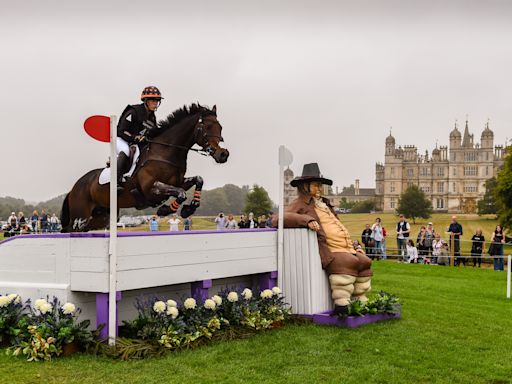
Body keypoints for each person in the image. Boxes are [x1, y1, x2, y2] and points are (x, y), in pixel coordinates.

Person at [273, 163, 372, 315]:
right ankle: (342, 302)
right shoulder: (299, 203)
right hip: (330, 249)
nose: (319, 188)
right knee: (347, 262)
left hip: (346, 247)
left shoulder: (325, 204)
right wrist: (306, 220)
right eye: (315, 185)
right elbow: (278, 218)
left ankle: (360, 299)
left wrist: (354, 245)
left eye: (320, 185)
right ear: (305, 186)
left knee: (364, 261)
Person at [116, 86, 163, 192]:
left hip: (136, 143)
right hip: (122, 140)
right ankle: (117, 181)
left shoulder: (152, 117)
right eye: (153, 100)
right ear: (146, 101)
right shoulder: (133, 111)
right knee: (126, 151)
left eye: (157, 101)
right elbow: (121, 131)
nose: (155, 103)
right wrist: (135, 137)